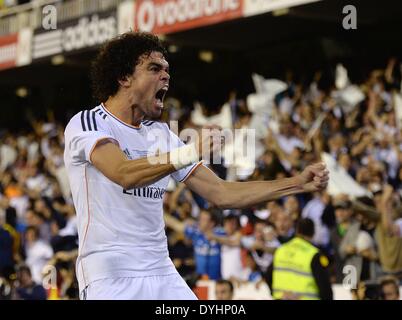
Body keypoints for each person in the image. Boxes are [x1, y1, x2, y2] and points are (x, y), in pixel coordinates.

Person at [63, 31, 329, 300]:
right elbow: (123, 173)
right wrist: (191, 151)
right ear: (124, 77)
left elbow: (222, 193)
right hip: (111, 276)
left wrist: (296, 183)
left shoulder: (161, 135)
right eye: (154, 68)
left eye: (167, 70)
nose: (165, 76)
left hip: (162, 271)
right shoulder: (89, 123)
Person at [267, 218, 333, 300]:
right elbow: (324, 286)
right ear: (313, 233)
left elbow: (268, 274)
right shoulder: (313, 254)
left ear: (297, 231)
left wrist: (275, 294)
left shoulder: (281, 250)